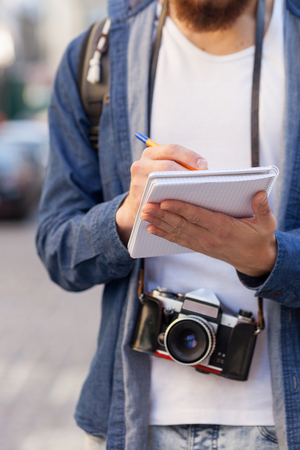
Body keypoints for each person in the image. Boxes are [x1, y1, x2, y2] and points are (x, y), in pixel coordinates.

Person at [36, 0, 300, 448]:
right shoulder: (97, 57)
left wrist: (271, 259)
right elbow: (59, 250)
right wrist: (122, 221)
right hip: (134, 420)